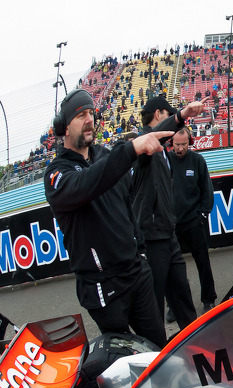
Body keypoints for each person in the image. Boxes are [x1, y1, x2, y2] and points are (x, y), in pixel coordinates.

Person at [44, 89, 174, 348]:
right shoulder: (56, 174)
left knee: (159, 350)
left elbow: (125, 200)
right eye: (81, 115)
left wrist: (180, 117)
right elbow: (88, 183)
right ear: (64, 128)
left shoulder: (104, 155)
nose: (90, 119)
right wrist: (130, 149)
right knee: (126, 363)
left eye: (91, 113)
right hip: (103, 288)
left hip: (137, 272)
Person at [132, 95, 205, 330]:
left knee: (182, 295)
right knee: (154, 303)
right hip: (151, 237)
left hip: (168, 232)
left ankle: (195, 344)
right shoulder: (141, 143)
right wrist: (181, 116)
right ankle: (156, 356)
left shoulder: (164, 151)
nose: (174, 126)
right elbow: (153, 138)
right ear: (158, 115)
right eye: (169, 115)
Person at [168, 126, 217, 315]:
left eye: (184, 144)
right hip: (171, 225)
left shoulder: (197, 160)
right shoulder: (165, 161)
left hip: (193, 222)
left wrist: (203, 214)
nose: (180, 148)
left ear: (190, 142)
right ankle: (174, 305)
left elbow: (207, 190)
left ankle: (208, 299)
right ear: (171, 143)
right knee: (172, 268)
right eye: (177, 145)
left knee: (203, 261)